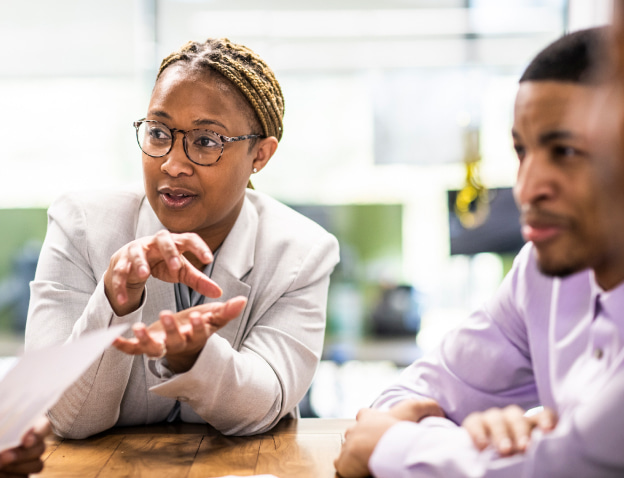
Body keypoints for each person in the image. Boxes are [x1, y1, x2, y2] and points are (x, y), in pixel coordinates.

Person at [335, 26, 624, 477]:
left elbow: (568, 467)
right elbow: (404, 398)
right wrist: (482, 441)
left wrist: (401, 447)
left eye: (565, 150)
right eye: (522, 151)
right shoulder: (542, 274)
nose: (526, 188)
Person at [25, 38, 339, 439]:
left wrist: (196, 358)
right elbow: (66, 418)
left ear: (260, 154)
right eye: (158, 132)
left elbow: (262, 409)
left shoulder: (301, 252)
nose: (173, 164)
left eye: (206, 141)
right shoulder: (81, 226)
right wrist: (113, 303)